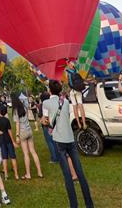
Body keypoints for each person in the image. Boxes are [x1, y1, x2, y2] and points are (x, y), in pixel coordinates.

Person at [42, 80, 94, 208]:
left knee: (67, 175)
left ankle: (73, 205)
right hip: (70, 138)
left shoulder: (46, 103)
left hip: (59, 140)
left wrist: (44, 122)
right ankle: (89, 204)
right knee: (80, 173)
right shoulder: (65, 102)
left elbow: (46, 120)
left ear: (49, 90)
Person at [10, 93, 43, 179]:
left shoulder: (15, 111)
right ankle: (39, 172)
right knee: (33, 151)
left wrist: (17, 135)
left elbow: (17, 124)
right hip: (29, 130)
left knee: (26, 154)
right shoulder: (24, 107)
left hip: (23, 132)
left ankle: (28, 174)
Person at [0, 104, 19, 181]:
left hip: (2, 140)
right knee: (13, 157)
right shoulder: (7, 120)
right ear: (5, 112)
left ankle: (6, 175)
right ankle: (16, 175)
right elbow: (9, 132)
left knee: (4, 158)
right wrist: (13, 142)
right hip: (8, 140)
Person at [38, 92, 59, 163]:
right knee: (54, 141)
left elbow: (41, 117)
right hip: (53, 124)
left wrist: (42, 121)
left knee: (50, 142)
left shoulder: (42, 105)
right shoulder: (52, 104)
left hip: (47, 126)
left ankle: (54, 158)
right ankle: (58, 156)